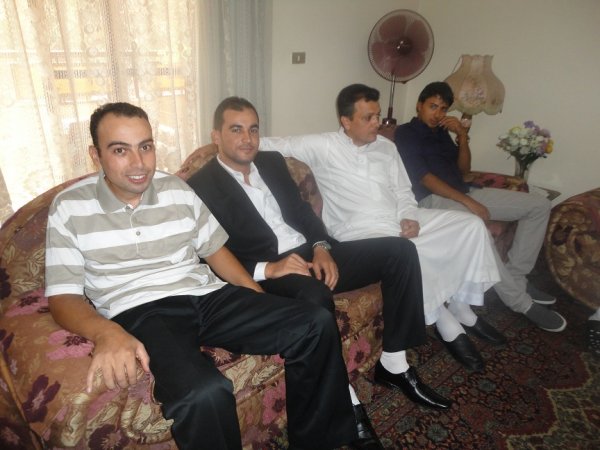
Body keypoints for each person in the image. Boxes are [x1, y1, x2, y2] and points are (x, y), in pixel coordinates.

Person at [44, 102, 363, 450]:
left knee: (314, 322)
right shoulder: (70, 206)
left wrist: (256, 297)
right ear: (96, 155)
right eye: (121, 150)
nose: (138, 163)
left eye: (145, 147)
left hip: (207, 295)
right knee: (203, 393)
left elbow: (215, 251)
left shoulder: (177, 189)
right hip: (142, 311)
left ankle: (317, 441)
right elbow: (62, 297)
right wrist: (105, 333)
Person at [187, 97, 453, 447]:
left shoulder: (270, 162)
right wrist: (270, 268)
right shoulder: (200, 186)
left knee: (400, 251)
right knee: (315, 295)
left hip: (310, 252)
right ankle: (346, 398)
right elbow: (207, 255)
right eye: (236, 130)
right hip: (271, 270)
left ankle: (394, 363)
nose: (247, 139)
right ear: (216, 136)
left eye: (253, 129)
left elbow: (302, 212)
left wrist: (321, 246)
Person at [259, 84, 503, 373]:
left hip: (397, 218)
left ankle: (462, 305)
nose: (378, 123)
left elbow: (403, 191)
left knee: (470, 225)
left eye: (377, 115)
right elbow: (275, 143)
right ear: (346, 121)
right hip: (360, 231)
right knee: (409, 251)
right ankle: (444, 321)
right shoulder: (323, 145)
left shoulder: (387, 147)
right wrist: (226, 143)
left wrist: (409, 215)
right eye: (368, 118)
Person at [395, 81, 566, 333]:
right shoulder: (406, 133)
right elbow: (424, 179)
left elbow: (464, 170)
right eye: (432, 106)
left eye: (443, 108)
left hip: (465, 190)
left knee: (539, 205)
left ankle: (516, 276)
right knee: (478, 228)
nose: (438, 113)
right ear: (419, 105)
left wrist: (462, 136)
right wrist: (469, 203)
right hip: (433, 199)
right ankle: (519, 302)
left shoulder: (441, 132)